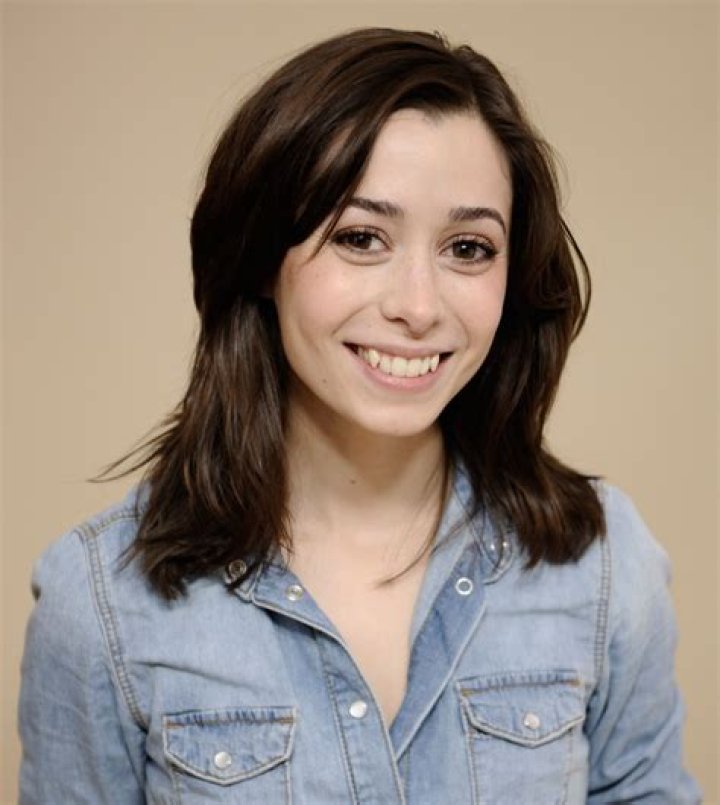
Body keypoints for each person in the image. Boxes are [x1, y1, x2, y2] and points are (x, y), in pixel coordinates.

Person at [18, 27, 700, 804]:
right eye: (361, 237)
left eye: (468, 248)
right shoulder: (102, 602)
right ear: (263, 260)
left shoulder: (603, 564)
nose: (418, 305)